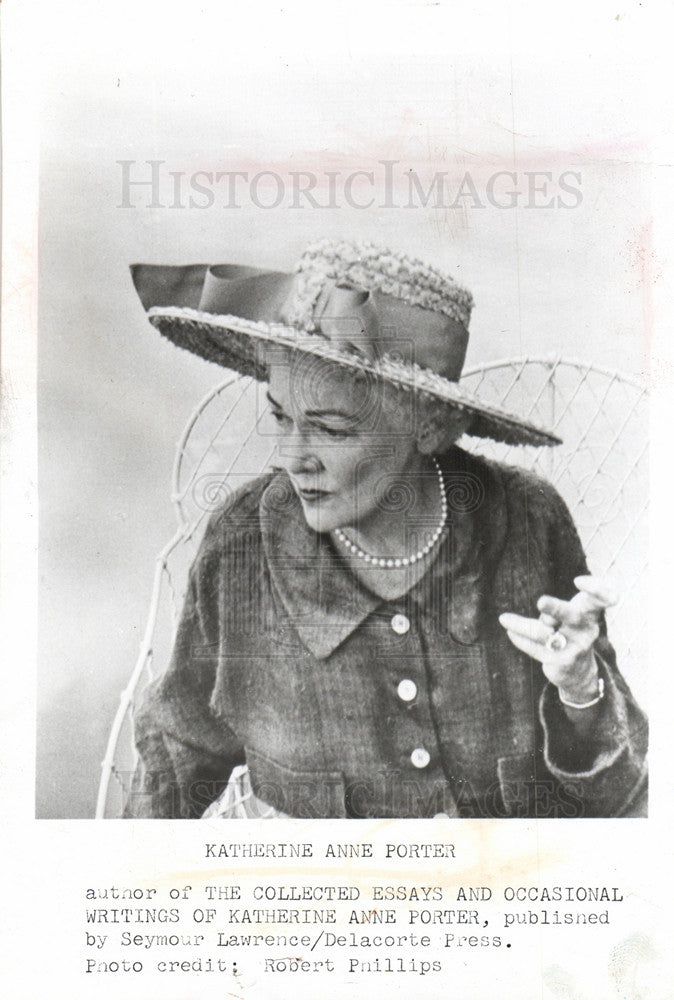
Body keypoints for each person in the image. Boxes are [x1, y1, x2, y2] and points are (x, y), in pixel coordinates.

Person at [124, 239, 648, 819]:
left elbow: (619, 795)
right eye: (280, 416)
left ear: (431, 425)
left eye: (333, 429)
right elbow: (172, 764)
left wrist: (580, 689)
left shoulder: (527, 518)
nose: (292, 457)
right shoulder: (243, 543)